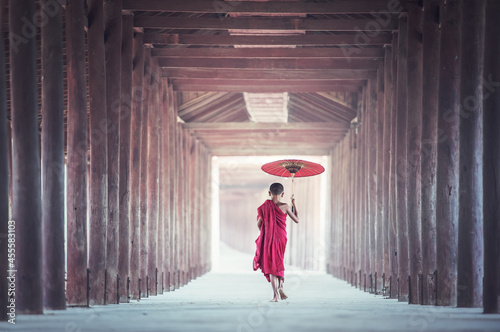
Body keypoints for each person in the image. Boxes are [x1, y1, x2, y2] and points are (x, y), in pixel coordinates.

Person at [253, 182, 299, 302]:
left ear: (269, 193)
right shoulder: (285, 206)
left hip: (269, 239)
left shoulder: (264, 208)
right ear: (282, 194)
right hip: (281, 238)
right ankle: (281, 286)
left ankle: (275, 296)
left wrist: (266, 233)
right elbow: (297, 220)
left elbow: (259, 225)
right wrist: (294, 204)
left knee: (271, 264)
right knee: (279, 260)